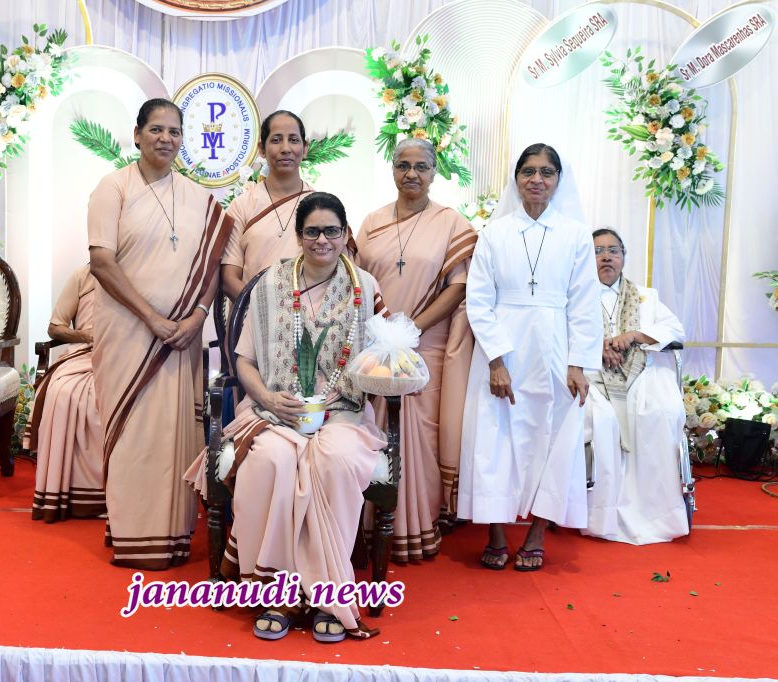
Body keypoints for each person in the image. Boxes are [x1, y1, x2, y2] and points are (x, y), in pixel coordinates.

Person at [187, 192, 386, 642]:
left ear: (345, 234)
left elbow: (382, 359)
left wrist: (391, 371)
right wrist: (269, 399)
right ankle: (276, 592)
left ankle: (326, 597)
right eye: (312, 231)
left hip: (343, 413)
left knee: (335, 460)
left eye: (331, 230)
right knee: (269, 461)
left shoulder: (366, 287)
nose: (322, 240)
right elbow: (244, 362)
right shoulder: (270, 285)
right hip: (274, 411)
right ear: (298, 236)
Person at [87, 98, 232, 569]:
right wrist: (151, 318)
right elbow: (102, 263)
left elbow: (213, 265)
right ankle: (132, 532)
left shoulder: (198, 198)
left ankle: (170, 535)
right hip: (129, 332)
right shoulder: (113, 188)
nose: (165, 139)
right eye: (156, 129)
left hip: (181, 338)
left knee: (172, 434)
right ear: (136, 134)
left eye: (174, 131)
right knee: (132, 432)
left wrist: (198, 316)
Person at [458, 144, 602, 571]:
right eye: (528, 171)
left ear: (558, 181)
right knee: (494, 437)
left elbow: (585, 302)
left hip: (556, 347)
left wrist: (577, 363)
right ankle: (496, 533)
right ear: (516, 178)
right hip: (503, 347)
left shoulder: (575, 234)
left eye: (546, 172)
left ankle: (537, 533)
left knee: (554, 437)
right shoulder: (495, 232)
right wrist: (496, 361)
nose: (537, 179)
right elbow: (479, 300)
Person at [356, 138, 477, 562]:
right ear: (392, 169)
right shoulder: (372, 223)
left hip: (426, 346)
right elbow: (357, 281)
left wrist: (410, 329)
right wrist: (384, 331)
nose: (412, 174)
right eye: (403, 165)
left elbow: (458, 287)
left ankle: (419, 526)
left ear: (434, 171)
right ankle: (369, 527)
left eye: (421, 166)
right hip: (375, 346)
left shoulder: (451, 223)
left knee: (421, 438)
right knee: (373, 431)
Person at [582, 228, 688, 544]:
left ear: (624, 257)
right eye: (598, 251)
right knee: (602, 420)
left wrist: (634, 336)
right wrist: (597, 346)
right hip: (591, 374)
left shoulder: (646, 296)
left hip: (640, 371)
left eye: (613, 250)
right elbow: (560, 334)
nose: (606, 257)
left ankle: (654, 510)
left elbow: (675, 330)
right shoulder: (575, 295)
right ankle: (600, 513)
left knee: (659, 411)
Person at [25, 264, 104, 522]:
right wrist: (87, 336)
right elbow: (55, 328)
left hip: (128, 355)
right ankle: (64, 491)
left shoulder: (141, 271)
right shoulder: (83, 275)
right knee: (64, 391)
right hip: (86, 353)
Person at [220, 110, 314, 301]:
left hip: (307, 315)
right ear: (262, 149)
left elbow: (335, 273)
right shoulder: (242, 206)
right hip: (251, 313)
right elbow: (229, 279)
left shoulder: (321, 207)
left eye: (293, 140)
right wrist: (262, 310)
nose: (285, 148)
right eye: (276, 140)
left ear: (305, 148)